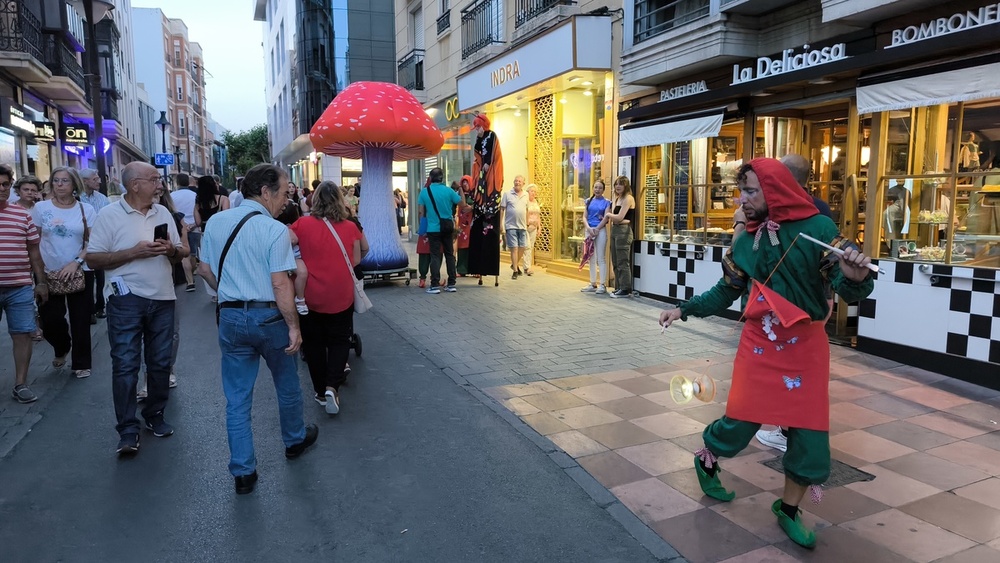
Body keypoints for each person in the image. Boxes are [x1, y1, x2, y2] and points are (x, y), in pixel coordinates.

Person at [659, 158, 874, 549]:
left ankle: (788, 509)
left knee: (809, 437)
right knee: (741, 424)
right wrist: (683, 309)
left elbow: (848, 285)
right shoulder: (746, 238)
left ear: (775, 191)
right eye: (743, 191)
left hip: (806, 347)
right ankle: (707, 455)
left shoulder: (820, 230)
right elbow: (727, 290)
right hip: (759, 343)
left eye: (751, 191)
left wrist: (857, 278)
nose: (742, 200)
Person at [198, 163, 318, 494]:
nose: (285, 200)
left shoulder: (216, 223)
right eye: (283, 193)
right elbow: (281, 285)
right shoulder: (274, 229)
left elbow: (204, 270)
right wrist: (294, 327)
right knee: (287, 382)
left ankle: (243, 471)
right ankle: (294, 440)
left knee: (237, 397)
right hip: (269, 318)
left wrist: (229, 291)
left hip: (232, 317)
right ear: (265, 192)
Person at [86, 162, 187, 455]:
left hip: (163, 298)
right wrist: (135, 252)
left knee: (159, 363)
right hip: (124, 300)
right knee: (126, 366)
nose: (160, 184)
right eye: (154, 179)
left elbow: (180, 252)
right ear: (135, 185)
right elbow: (93, 260)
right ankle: (127, 429)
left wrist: (169, 250)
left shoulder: (163, 212)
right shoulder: (109, 215)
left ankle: (154, 414)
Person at [290, 181, 366, 413]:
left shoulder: (301, 224)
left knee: (313, 344)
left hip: (311, 294)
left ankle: (321, 392)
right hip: (341, 291)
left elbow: (284, 243)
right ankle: (333, 385)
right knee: (339, 340)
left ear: (315, 200)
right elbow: (360, 254)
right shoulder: (350, 226)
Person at [31, 167, 96, 378]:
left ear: (74, 184)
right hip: (49, 272)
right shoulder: (41, 208)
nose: (59, 185)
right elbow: (34, 242)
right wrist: (36, 271)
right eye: (56, 180)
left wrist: (76, 262)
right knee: (50, 320)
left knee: (81, 319)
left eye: (65, 181)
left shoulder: (86, 209)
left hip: (80, 270)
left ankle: (81, 363)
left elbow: (93, 241)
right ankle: (62, 347)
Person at [0, 164, 48, 404]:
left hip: (19, 286)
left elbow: (34, 253)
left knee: (22, 335)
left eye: (5, 184)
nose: (1, 189)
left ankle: (20, 383)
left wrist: (41, 283)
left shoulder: (22, 215)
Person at [136, 184, 188, 400]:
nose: (154, 197)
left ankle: (167, 368)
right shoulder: (131, 216)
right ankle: (150, 377)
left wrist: (170, 249)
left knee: (169, 330)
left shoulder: (171, 217)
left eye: (158, 194)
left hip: (169, 277)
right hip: (139, 282)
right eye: (153, 192)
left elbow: (184, 249)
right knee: (143, 333)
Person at [418, 167, 468, 293]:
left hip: (433, 228)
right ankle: (451, 284)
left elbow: (421, 212)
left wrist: (423, 223)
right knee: (449, 255)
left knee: (435, 255)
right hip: (447, 227)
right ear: (442, 178)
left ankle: (434, 285)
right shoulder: (448, 191)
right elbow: (463, 204)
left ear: (430, 178)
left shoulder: (424, 192)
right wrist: (460, 189)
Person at [468, 114, 504, 282]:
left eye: (478, 127)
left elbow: (490, 155)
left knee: (490, 221)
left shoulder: (491, 136)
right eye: (476, 128)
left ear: (484, 125)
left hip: (489, 175)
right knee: (479, 222)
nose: (477, 130)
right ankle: (477, 267)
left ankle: (489, 268)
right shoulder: (479, 138)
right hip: (482, 175)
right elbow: (478, 154)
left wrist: (486, 164)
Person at [593, 176, 635, 298]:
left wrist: (608, 215)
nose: (618, 187)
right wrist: (607, 217)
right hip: (615, 230)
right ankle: (619, 286)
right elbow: (612, 217)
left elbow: (620, 217)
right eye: (616, 184)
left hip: (624, 231)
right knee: (615, 260)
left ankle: (625, 289)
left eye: (620, 184)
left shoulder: (628, 198)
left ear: (626, 186)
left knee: (623, 261)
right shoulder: (617, 198)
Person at [78, 169, 110, 320]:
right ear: (84, 181)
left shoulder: (102, 198)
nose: (99, 181)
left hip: (100, 240)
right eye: (95, 179)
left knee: (100, 275)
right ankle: (89, 309)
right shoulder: (77, 198)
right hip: (83, 242)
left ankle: (100, 306)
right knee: (87, 277)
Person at [581, 180, 612, 294]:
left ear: (603, 190)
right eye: (595, 187)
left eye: (600, 188)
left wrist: (598, 229)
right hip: (589, 230)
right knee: (591, 258)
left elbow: (606, 217)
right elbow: (584, 217)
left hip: (601, 230)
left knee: (601, 258)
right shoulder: (588, 201)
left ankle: (602, 284)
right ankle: (592, 282)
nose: (597, 190)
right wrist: (589, 228)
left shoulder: (607, 202)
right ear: (593, 188)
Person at [171, 174, 198, 292]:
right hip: (194, 227)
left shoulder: (172, 196)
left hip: (180, 226)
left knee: (184, 256)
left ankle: (190, 281)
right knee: (192, 253)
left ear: (177, 182)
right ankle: (191, 275)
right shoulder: (195, 195)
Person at [500, 175, 529, 279]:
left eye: (519, 181)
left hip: (522, 226)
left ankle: (514, 264)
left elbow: (526, 209)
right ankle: (515, 271)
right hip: (510, 225)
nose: (517, 182)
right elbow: (502, 209)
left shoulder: (526, 195)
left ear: (523, 184)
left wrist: (527, 223)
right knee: (514, 248)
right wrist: (501, 224)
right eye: (516, 181)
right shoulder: (507, 194)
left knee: (523, 247)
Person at [455, 175, 474, 276]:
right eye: (463, 182)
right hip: (462, 225)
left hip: (472, 224)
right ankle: (461, 270)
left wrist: (472, 208)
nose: (465, 184)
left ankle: (474, 269)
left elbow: (481, 206)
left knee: (473, 246)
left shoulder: (475, 194)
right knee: (462, 247)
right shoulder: (459, 195)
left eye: (467, 182)